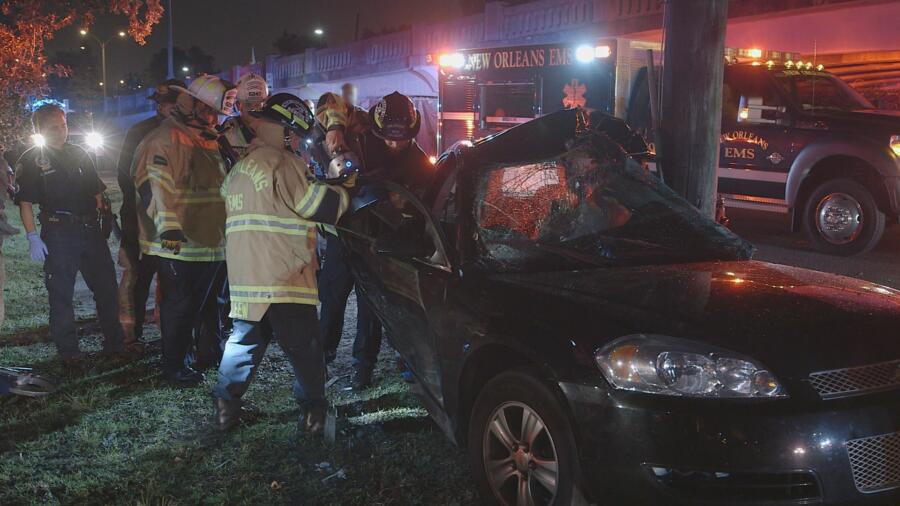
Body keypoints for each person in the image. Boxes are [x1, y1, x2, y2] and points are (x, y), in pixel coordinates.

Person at [213, 93, 356, 434]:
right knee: (305, 350)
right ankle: (314, 417)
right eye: (295, 134)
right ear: (284, 130)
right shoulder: (283, 163)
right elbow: (319, 207)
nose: (297, 141)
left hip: (246, 278)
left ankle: (225, 410)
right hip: (285, 276)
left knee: (243, 345)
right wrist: (346, 187)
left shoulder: (239, 169)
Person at [315, 91, 432, 389]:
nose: (394, 144)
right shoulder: (361, 132)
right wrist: (335, 127)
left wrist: (401, 207)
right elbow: (331, 100)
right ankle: (320, 361)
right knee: (331, 300)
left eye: (401, 140)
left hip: (379, 245)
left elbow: (422, 213)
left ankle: (362, 370)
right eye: (388, 138)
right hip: (344, 234)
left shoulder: (419, 163)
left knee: (371, 309)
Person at [131, 75, 234, 385]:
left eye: (217, 113)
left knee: (211, 304)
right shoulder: (164, 139)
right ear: (192, 105)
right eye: (210, 111)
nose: (215, 119)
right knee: (180, 307)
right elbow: (153, 187)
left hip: (211, 240)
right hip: (177, 244)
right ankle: (175, 367)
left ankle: (209, 354)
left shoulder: (210, 138)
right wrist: (169, 230)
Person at [14, 104, 125, 363]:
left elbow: (97, 193)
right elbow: (25, 202)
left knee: (107, 290)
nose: (60, 131)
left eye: (63, 125)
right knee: (61, 295)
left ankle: (115, 345)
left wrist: (104, 218)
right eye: (53, 127)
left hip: (90, 230)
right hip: (59, 232)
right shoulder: (32, 159)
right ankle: (69, 354)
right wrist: (32, 237)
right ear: (39, 129)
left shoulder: (79, 153)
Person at [116, 79, 184, 351]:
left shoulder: (185, 133)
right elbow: (126, 176)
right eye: (161, 103)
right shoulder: (141, 132)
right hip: (140, 221)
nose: (163, 108)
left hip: (171, 222)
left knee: (171, 277)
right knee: (138, 276)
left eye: (169, 103)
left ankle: (168, 330)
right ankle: (131, 334)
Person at [219, 73, 269, 162]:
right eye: (250, 104)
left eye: (259, 104)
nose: (256, 110)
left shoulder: (273, 127)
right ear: (239, 105)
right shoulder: (228, 130)